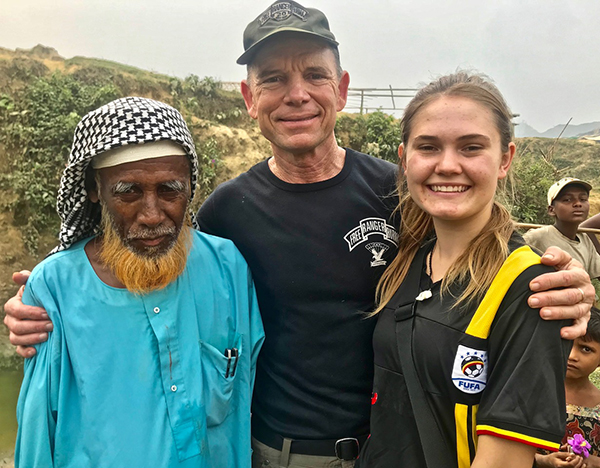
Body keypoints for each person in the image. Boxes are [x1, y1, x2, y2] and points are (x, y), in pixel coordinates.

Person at [3, 2, 595, 467]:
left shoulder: (400, 191)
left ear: (340, 89)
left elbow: (476, 236)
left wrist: (561, 276)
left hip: (403, 445)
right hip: (273, 454)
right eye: (273, 78)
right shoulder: (226, 212)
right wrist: (50, 297)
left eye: (314, 74)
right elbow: (149, 277)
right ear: (248, 99)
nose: (296, 94)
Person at [14, 96, 264, 467]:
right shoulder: (55, 288)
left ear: (190, 188)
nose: (151, 214)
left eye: (170, 190)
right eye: (128, 191)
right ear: (96, 190)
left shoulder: (226, 267)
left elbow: (245, 393)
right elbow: (37, 437)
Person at [357, 72, 572, 468]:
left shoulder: (531, 288)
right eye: (428, 147)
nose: (448, 165)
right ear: (404, 160)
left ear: (505, 159)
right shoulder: (407, 260)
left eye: (471, 147)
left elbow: (504, 460)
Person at [535, 307, 600, 468]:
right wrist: (543, 461)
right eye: (566, 343)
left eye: (586, 349)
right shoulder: (531, 394)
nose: (572, 356)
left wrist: (591, 462)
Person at [524, 177, 600, 279]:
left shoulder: (584, 239)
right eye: (567, 200)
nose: (578, 204)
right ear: (551, 210)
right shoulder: (537, 237)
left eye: (583, 199)